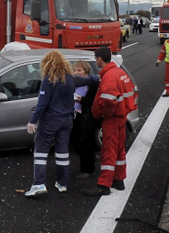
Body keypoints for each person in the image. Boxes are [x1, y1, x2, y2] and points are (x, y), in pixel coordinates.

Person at [83, 47, 136, 196]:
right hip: (121, 117)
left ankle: (104, 185)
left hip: (112, 119)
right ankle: (118, 180)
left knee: (108, 151)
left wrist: (102, 115)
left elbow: (108, 101)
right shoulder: (120, 73)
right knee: (119, 150)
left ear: (99, 59)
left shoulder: (109, 76)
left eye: (96, 59)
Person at [25, 50, 75, 197]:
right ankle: (62, 183)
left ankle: (39, 184)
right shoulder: (71, 79)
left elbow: (42, 103)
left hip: (50, 120)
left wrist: (32, 121)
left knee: (41, 151)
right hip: (67, 120)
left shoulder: (49, 80)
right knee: (62, 152)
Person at [70, 60, 99, 180]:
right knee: (74, 142)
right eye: (75, 70)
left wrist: (81, 100)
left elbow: (94, 102)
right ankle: (90, 158)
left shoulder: (92, 84)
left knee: (86, 143)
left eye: (79, 70)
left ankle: (87, 170)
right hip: (75, 115)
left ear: (86, 72)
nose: (76, 73)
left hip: (87, 117)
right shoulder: (74, 83)